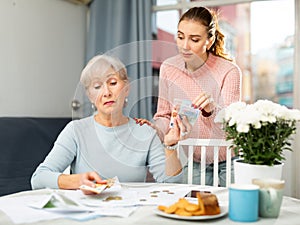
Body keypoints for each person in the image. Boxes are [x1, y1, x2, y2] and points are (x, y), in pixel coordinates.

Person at [31, 55, 182, 194]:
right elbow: (38, 178)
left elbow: (171, 183)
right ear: (90, 96)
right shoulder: (76, 131)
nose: (106, 92)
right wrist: (78, 180)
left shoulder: (145, 133)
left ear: (127, 88)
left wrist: (170, 147)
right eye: (97, 86)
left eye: (113, 83)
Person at [137, 7, 241, 186]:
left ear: (209, 41)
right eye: (180, 36)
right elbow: (164, 115)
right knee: (191, 209)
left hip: (228, 162)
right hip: (195, 162)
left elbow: (231, 126)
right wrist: (155, 129)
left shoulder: (229, 71)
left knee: (230, 211)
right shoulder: (169, 68)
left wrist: (211, 111)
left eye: (194, 39)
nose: (184, 46)